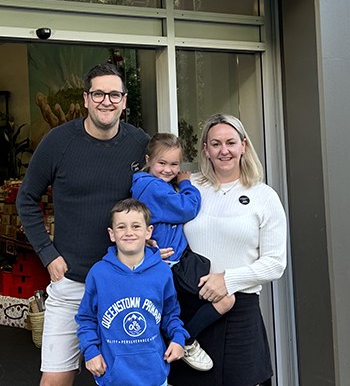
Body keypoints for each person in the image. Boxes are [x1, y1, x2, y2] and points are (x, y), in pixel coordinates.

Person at [16, 62, 150, 386]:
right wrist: (48, 255)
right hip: (71, 284)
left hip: (126, 284)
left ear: (125, 100)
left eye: (114, 94)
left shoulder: (141, 144)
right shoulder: (58, 142)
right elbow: (26, 200)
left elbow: (162, 197)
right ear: (87, 99)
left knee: (125, 379)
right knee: (55, 380)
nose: (107, 101)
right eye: (99, 93)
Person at [167, 113, 288, 386]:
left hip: (239, 313)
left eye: (231, 143)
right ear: (205, 150)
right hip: (189, 312)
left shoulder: (264, 196)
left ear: (243, 145)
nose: (224, 151)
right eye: (216, 143)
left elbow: (275, 263)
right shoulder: (189, 189)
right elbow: (161, 227)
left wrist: (227, 280)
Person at [130, 132, 235, 372]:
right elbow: (187, 208)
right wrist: (186, 182)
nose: (168, 170)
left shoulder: (155, 184)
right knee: (225, 300)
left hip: (174, 261)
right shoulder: (152, 187)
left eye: (175, 165)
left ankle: (181, 337)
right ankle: (185, 340)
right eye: (162, 163)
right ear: (148, 160)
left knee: (180, 308)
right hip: (170, 264)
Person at [75, 198, 188, 386]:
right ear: (112, 234)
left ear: (148, 231)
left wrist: (178, 338)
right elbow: (86, 318)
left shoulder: (162, 272)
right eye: (121, 227)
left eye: (136, 226)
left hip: (154, 375)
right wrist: (91, 351)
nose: (129, 233)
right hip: (112, 376)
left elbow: (170, 313)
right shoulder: (99, 273)